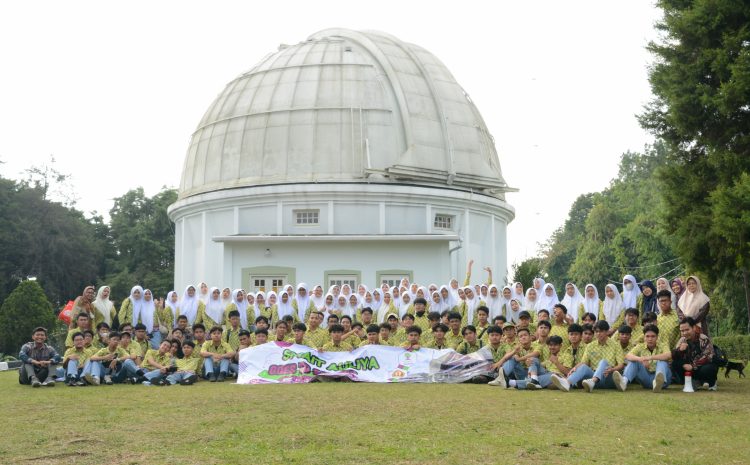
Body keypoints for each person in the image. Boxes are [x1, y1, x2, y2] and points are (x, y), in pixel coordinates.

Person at [551, 320, 625, 393]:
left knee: (603, 362)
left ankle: (592, 381)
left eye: (601, 331)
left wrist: (612, 369)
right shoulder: (590, 346)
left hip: (608, 376)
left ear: (607, 332)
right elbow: (584, 362)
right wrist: (575, 368)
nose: (598, 334)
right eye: (596, 332)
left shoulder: (616, 345)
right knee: (583, 367)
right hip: (593, 378)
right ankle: (567, 383)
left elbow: (621, 365)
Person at [620, 324, 671, 392]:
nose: (650, 339)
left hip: (663, 382)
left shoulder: (663, 345)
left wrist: (649, 358)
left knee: (662, 361)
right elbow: (628, 355)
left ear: (657, 337)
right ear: (644, 337)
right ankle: (623, 382)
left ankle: (657, 382)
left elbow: (668, 355)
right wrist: (640, 359)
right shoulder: (640, 346)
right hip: (646, 379)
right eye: (647, 336)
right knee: (634, 361)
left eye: (653, 336)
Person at [671, 317, 718, 390]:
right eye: (682, 331)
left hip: (700, 367)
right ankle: (691, 382)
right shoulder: (682, 340)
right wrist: (679, 350)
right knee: (675, 363)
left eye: (687, 330)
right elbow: (673, 356)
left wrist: (693, 366)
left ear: (693, 328)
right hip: (690, 369)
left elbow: (708, 356)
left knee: (709, 368)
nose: (684, 333)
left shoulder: (703, 338)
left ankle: (710, 382)